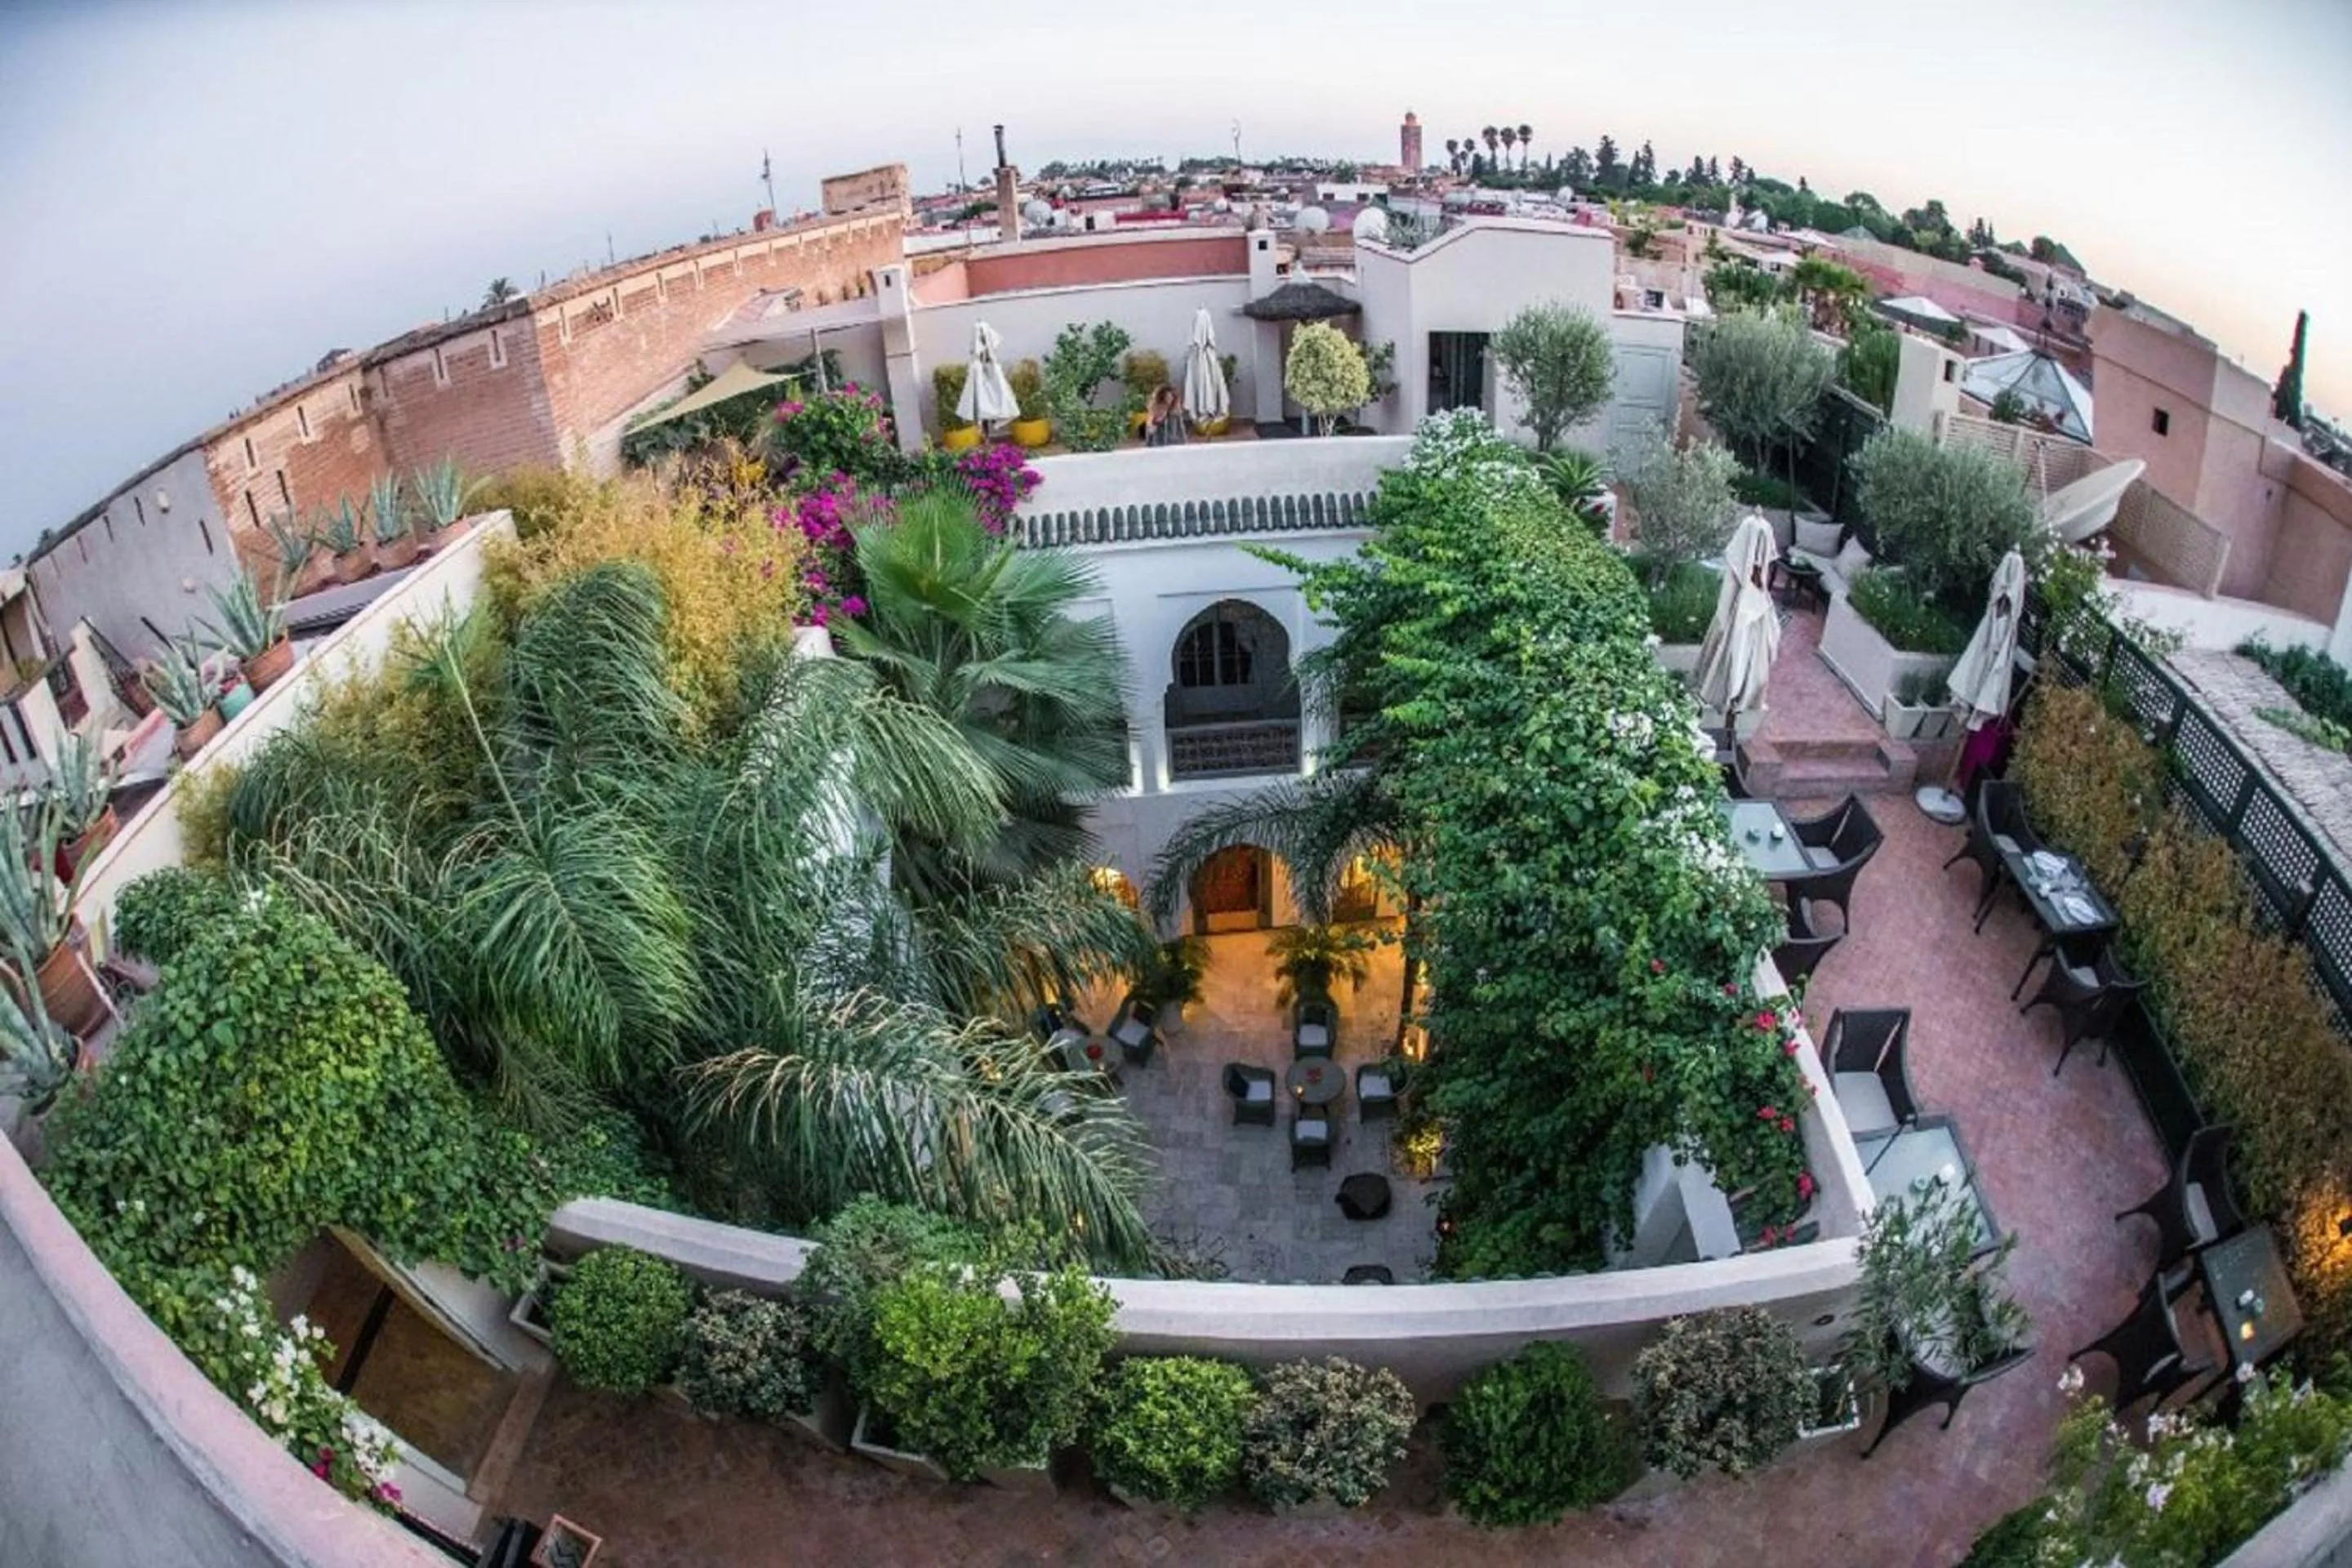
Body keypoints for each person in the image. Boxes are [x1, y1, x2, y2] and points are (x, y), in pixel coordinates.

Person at [1143, 383, 1188, 448]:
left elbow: (1181, 434)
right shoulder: (1154, 413)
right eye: (1167, 397)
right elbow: (1149, 434)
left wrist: (1184, 446)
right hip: (1157, 447)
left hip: (1173, 448)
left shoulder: (1175, 415)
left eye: (1171, 397)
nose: (1170, 400)